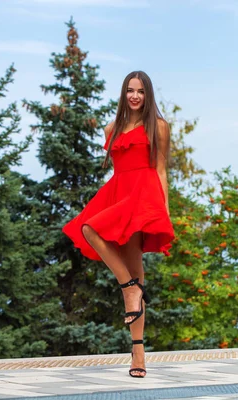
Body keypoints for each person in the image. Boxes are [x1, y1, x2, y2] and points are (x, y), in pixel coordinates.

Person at [62, 71, 174, 378]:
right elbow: (117, 167)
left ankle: (138, 353)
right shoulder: (112, 127)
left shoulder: (159, 127)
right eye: (129, 90)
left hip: (143, 195)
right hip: (118, 193)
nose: (135, 96)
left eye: (140, 91)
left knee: (136, 269)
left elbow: (161, 170)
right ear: (123, 94)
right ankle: (129, 288)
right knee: (88, 228)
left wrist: (164, 210)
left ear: (148, 94)